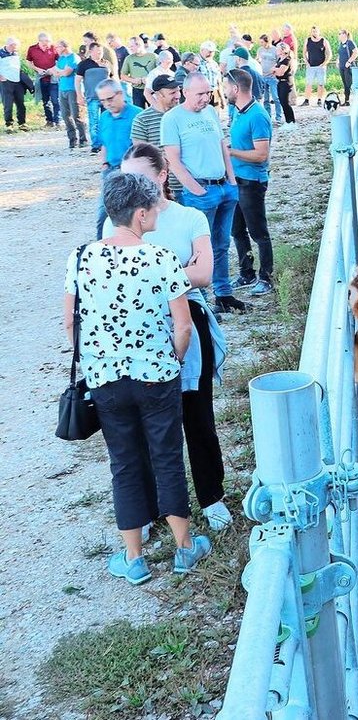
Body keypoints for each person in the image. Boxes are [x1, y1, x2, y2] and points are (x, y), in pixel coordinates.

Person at [64, 172, 211, 584]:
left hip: (106, 377)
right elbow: (183, 326)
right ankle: (184, 547)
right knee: (166, 454)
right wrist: (174, 360)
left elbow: (71, 324)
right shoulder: (161, 258)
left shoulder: (80, 257)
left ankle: (133, 557)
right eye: (154, 207)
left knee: (124, 462)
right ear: (141, 214)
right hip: (156, 374)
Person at [103, 142, 232, 534]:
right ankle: (148, 508)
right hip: (137, 329)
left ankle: (211, 496)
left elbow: (206, 274)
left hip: (186, 321)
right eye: (125, 177)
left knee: (197, 416)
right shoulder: (115, 222)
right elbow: (110, 276)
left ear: (161, 176)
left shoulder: (190, 217)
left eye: (139, 176)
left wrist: (146, 274)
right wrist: (177, 269)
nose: (131, 185)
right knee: (144, 424)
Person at [160, 74, 246, 314]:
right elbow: (173, 159)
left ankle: (224, 293)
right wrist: (195, 188)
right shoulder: (172, 119)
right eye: (199, 94)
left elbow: (222, 146)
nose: (205, 98)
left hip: (223, 187)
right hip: (200, 189)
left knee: (221, 243)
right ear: (185, 92)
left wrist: (231, 181)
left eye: (207, 93)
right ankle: (201, 300)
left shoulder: (210, 113)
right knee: (199, 248)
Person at [225, 69, 275, 297]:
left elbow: (261, 154)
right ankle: (247, 272)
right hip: (237, 180)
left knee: (258, 232)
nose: (224, 91)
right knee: (237, 230)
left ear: (236, 89)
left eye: (226, 87)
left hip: (252, 182)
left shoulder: (257, 116)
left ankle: (266, 277)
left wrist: (231, 152)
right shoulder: (238, 111)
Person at [93, 78, 140, 238]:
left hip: (132, 172)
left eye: (110, 99)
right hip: (111, 172)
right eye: (102, 101)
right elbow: (104, 143)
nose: (107, 104)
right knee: (103, 216)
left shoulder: (137, 115)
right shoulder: (104, 117)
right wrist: (104, 163)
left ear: (120, 94)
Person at [75, 41, 110, 152]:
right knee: (94, 121)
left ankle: (107, 143)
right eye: (98, 51)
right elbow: (77, 81)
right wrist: (79, 95)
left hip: (107, 97)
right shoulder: (84, 64)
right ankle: (96, 145)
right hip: (92, 97)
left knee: (106, 121)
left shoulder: (106, 63)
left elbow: (112, 79)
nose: (100, 53)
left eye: (101, 51)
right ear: (91, 51)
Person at [53, 39, 88, 149]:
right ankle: (72, 140)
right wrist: (59, 72)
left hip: (72, 89)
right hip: (62, 88)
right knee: (65, 116)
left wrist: (59, 72)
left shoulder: (73, 57)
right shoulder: (61, 59)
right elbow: (55, 72)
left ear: (63, 47)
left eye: (58, 47)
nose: (56, 49)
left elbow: (67, 72)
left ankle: (83, 139)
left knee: (76, 115)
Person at [26, 32, 60, 126]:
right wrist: (37, 69)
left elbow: (60, 61)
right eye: (46, 41)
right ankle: (49, 121)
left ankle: (58, 121)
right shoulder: (32, 49)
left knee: (55, 100)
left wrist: (52, 69)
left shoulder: (54, 48)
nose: (48, 43)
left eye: (49, 41)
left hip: (53, 78)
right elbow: (28, 62)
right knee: (45, 101)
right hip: (41, 78)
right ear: (40, 41)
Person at [120, 35, 159, 108]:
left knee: (155, 109)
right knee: (138, 112)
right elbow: (123, 76)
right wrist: (134, 80)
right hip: (137, 91)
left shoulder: (153, 56)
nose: (130, 48)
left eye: (132, 46)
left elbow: (160, 72)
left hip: (152, 89)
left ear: (139, 45)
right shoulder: (129, 58)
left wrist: (149, 79)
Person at [1, 37, 28, 132]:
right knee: (8, 104)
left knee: (21, 103)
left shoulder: (15, 53)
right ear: (10, 45)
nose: (16, 48)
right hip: (6, 82)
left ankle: (22, 123)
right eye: (15, 46)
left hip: (17, 81)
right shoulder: (1, 53)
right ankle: (9, 124)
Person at [303, 26, 331, 107]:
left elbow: (329, 53)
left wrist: (324, 63)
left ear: (319, 32)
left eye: (315, 31)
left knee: (321, 84)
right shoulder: (307, 40)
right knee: (308, 83)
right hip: (310, 66)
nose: (314, 33)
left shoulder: (324, 41)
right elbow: (304, 52)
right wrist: (306, 62)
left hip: (320, 66)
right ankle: (307, 100)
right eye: (312, 31)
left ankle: (319, 100)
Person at [272, 42, 297, 125]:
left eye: (278, 49)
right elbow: (272, 70)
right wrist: (275, 70)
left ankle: (291, 121)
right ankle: (288, 120)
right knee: (283, 102)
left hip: (285, 82)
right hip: (280, 82)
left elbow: (280, 72)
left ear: (282, 50)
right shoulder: (280, 59)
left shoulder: (287, 60)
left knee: (285, 102)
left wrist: (275, 70)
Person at [337, 29, 358, 99]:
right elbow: (340, 54)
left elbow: (356, 53)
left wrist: (349, 62)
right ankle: (347, 100)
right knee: (345, 84)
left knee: (349, 84)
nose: (339, 35)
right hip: (342, 66)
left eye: (340, 33)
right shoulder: (341, 44)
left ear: (344, 34)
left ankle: (355, 99)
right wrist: (337, 61)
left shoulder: (349, 42)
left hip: (348, 67)